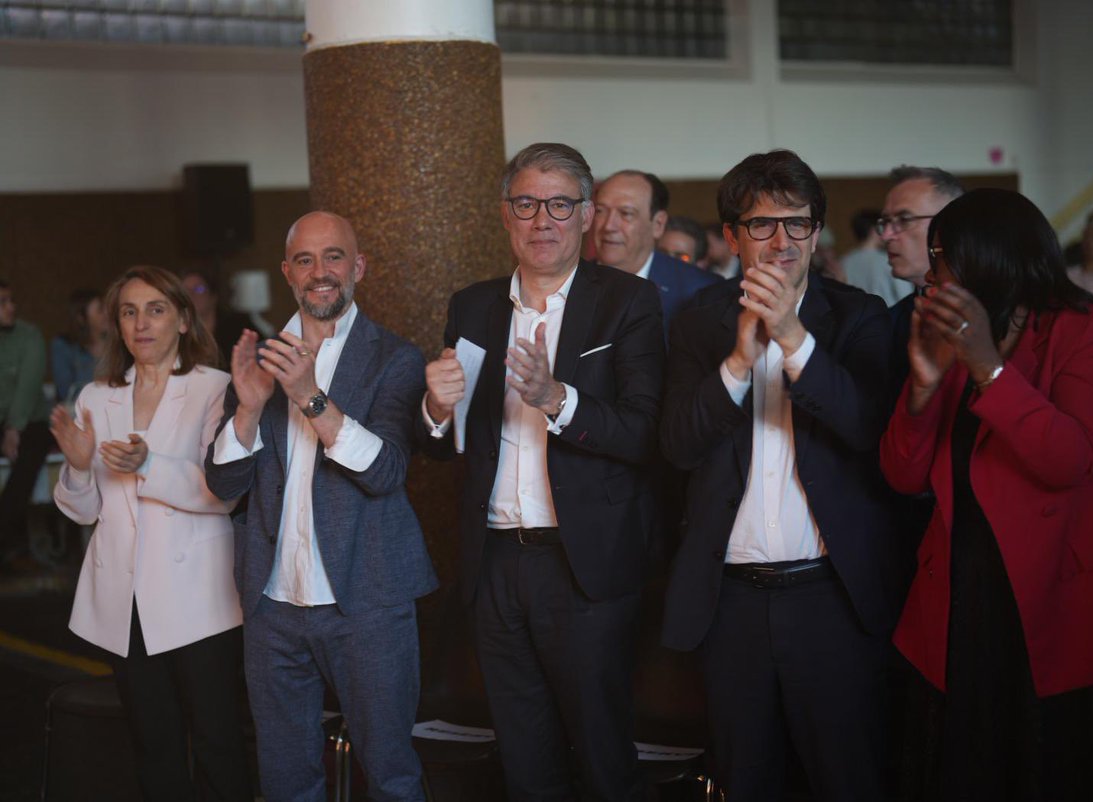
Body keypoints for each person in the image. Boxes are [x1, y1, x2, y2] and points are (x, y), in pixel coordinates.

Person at [879, 188, 1093, 801]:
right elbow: (903, 476)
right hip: (967, 586)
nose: (932, 273)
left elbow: (1072, 460)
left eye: (943, 255)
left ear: (990, 256)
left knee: (1058, 768)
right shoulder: (954, 335)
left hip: (1060, 593)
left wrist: (988, 367)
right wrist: (922, 386)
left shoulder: (1092, 328)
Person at [660, 150, 906, 800]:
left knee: (848, 777)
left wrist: (795, 339)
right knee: (746, 781)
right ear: (733, 236)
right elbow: (678, 445)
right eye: (763, 225)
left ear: (817, 230)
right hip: (731, 601)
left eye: (798, 224)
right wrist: (740, 362)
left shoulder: (859, 318)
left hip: (832, 597)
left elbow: (867, 432)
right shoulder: (697, 323)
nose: (782, 241)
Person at [421, 143, 664, 801]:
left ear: (586, 216)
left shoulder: (627, 303)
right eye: (527, 204)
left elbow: (645, 433)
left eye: (560, 205)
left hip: (582, 565)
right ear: (506, 215)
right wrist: (436, 409)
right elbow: (442, 443)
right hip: (496, 560)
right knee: (523, 755)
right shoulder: (473, 306)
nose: (543, 220)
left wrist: (558, 398)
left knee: (600, 752)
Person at [205, 211, 437, 802]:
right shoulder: (260, 358)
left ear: (358, 267)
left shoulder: (395, 357)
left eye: (334, 256)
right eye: (305, 260)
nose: (320, 272)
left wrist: (308, 396)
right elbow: (224, 483)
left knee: (390, 772)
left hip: (368, 601)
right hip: (272, 604)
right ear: (287, 272)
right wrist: (250, 408)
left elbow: (385, 472)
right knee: (284, 779)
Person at [49, 265, 251, 801]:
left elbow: (222, 492)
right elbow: (84, 509)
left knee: (217, 740)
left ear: (183, 320)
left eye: (156, 309)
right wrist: (74, 467)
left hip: (199, 597)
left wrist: (147, 463)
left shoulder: (215, 388)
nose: (142, 323)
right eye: (129, 311)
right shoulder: (96, 396)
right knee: (154, 742)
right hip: (124, 597)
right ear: (117, 324)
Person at [877, 166, 965, 404]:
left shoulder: (1002, 315)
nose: (886, 236)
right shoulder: (888, 324)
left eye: (903, 220)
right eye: (885, 222)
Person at [593, 169, 718, 326]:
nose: (609, 226)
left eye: (626, 213)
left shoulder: (700, 291)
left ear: (658, 224)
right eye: (600, 211)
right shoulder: (568, 282)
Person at [0, 279, 53, 573]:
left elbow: (28, 386)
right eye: (2, 302)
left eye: (11, 300)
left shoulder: (29, 335)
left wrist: (13, 428)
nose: (11, 307)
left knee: (26, 460)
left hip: (30, 420)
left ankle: (7, 538)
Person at [181, 271, 261, 368]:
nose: (191, 295)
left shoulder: (238, 327)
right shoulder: (179, 333)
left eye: (199, 289)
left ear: (213, 296)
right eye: (185, 291)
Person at [841, 208, 910, 306]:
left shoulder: (844, 261)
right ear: (874, 230)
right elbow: (905, 295)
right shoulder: (889, 260)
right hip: (888, 317)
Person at [50, 288, 108, 403]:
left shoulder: (119, 345)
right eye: (100, 310)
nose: (107, 314)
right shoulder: (64, 346)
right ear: (81, 318)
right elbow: (66, 392)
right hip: (78, 415)